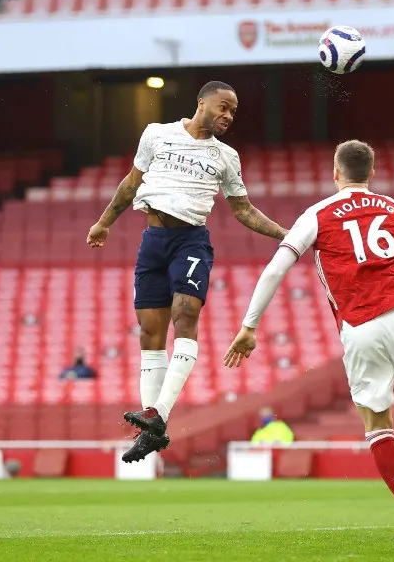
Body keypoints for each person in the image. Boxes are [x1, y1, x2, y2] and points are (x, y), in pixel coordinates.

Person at [224, 140, 394, 541]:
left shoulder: (317, 213)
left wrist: (249, 326)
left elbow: (275, 270)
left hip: (357, 327)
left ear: (336, 173)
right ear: (372, 173)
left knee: (377, 424)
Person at [86, 81, 288, 464]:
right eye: (223, 107)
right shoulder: (156, 134)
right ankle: (151, 428)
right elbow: (131, 183)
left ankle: (159, 412)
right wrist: (104, 222)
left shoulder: (225, 156)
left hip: (190, 242)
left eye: (233, 111)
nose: (228, 115)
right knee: (149, 332)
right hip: (152, 242)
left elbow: (243, 210)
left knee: (185, 315)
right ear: (201, 102)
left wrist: (286, 234)